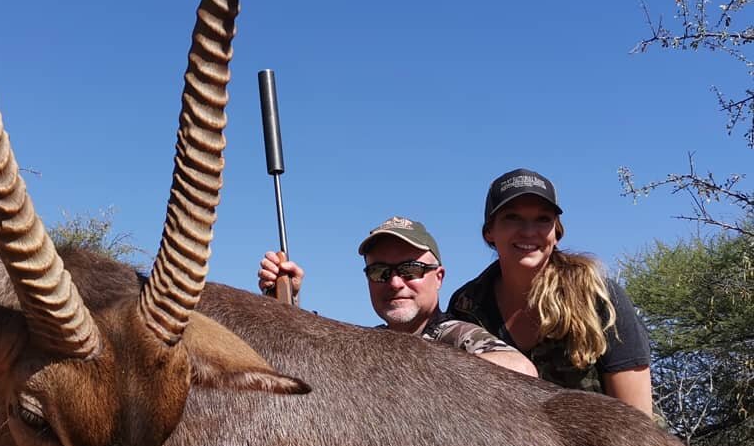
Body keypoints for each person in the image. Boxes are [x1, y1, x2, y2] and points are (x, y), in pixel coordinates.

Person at [446, 168, 653, 414]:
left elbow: (637, 417)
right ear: (489, 232)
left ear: (556, 232)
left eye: (543, 219)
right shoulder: (465, 305)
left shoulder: (599, 296)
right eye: (512, 217)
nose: (528, 231)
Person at [258, 217, 538, 376]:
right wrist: (288, 303)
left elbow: (522, 370)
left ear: (438, 277)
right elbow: (317, 355)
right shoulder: (369, 341)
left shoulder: (456, 336)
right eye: (380, 271)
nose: (394, 282)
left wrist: (406, 372)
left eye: (410, 269)